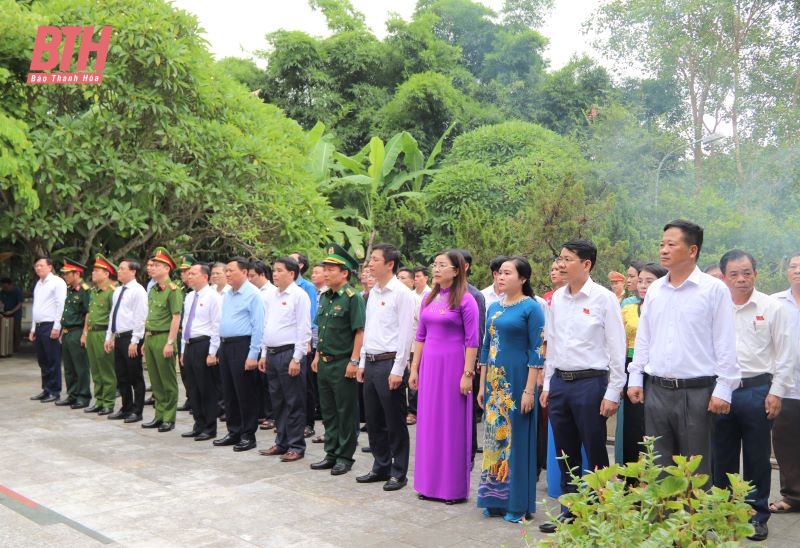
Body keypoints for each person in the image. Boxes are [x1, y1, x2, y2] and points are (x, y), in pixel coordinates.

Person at [627, 220, 739, 481]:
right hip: (656, 390)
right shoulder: (655, 289)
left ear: (692, 250)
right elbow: (645, 338)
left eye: (671, 244)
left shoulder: (714, 290)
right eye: (661, 244)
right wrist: (636, 377)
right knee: (658, 467)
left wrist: (724, 388)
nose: (663, 250)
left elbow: (725, 342)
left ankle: (695, 523)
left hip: (697, 392)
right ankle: (663, 521)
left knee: (695, 471)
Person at [539, 238, 626, 533]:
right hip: (561, 383)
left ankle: (601, 513)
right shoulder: (557, 299)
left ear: (586, 264)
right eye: (560, 258)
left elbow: (617, 347)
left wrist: (614, 391)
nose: (561, 264)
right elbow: (552, 344)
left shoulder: (604, 299)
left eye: (568, 259)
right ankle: (571, 511)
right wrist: (548, 385)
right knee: (565, 451)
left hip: (591, 384)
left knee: (595, 449)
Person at [712, 250, 795, 542]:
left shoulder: (772, 307)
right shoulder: (715, 306)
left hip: (758, 390)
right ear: (723, 277)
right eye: (734, 274)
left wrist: (776, 392)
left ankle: (757, 515)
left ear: (755, 274)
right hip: (721, 391)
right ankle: (723, 512)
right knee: (721, 456)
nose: (741, 279)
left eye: (746, 272)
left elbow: (786, 354)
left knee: (757, 457)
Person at [477, 257, 545, 523]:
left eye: (507, 273)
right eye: (499, 273)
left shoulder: (532, 308)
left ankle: (517, 503)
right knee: (495, 439)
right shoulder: (494, 307)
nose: (500, 277)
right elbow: (486, 346)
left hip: (518, 380)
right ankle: (494, 498)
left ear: (523, 278)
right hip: (494, 380)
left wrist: (530, 390)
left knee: (516, 439)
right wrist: (483, 384)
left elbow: (536, 350)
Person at [409, 250, 479, 504]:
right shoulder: (429, 297)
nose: (436, 269)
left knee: (451, 426)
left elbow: (472, 341)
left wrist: (467, 374)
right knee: (429, 425)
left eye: (442, 265)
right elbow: (420, 336)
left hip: (454, 367)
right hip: (430, 367)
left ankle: (452, 489)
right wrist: (415, 368)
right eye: (434, 264)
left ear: (457, 270)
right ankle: (427, 485)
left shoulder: (466, 300)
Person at [356, 244, 416, 491]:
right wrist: (361, 361)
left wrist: (398, 369)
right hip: (370, 361)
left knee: (394, 419)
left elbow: (406, 333)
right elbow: (368, 329)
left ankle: (399, 471)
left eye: (375, 259)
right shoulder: (374, 293)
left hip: (390, 362)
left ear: (390, 264)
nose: (370, 264)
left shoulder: (402, 293)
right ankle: (380, 466)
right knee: (374, 418)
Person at [310, 244, 366, 476]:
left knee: (345, 411)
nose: (326, 272)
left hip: (343, 362)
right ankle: (331, 452)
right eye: (325, 268)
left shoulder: (353, 298)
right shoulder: (324, 297)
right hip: (323, 361)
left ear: (344, 273)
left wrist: (354, 362)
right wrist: (315, 356)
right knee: (328, 410)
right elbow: (321, 329)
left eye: (331, 269)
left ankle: (345, 456)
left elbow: (359, 332)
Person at [258, 256, 312, 463]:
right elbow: (267, 324)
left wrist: (297, 358)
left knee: (294, 402)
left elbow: (303, 328)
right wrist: (263, 353)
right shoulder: (271, 295)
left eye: (280, 270)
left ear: (292, 273)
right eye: (274, 270)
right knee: (277, 402)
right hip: (271, 353)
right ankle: (282, 441)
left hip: (289, 354)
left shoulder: (299, 295)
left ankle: (296, 445)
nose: (275, 274)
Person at [616, 262, 667, 466]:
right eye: (641, 281)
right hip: (632, 367)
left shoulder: (668, 308)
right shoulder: (628, 308)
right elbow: (618, 342)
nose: (642, 285)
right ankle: (632, 481)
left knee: (657, 425)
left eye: (650, 281)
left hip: (658, 370)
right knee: (633, 425)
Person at [213, 257, 264, 453]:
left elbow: (258, 326)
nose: (227, 274)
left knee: (245, 392)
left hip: (243, 345)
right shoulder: (227, 294)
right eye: (226, 271)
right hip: (226, 346)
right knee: (229, 391)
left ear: (244, 272)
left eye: (231, 271)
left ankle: (248, 435)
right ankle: (233, 431)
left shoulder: (253, 295)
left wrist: (253, 354)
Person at [770, 252, 800, 515]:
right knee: (786, 443)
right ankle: (792, 496)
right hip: (787, 386)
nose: (797, 270)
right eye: (793, 266)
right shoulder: (775, 303)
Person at [140, 247, 182, 432]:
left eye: (157, 265)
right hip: (150, 337)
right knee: (155, 380)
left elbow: (176, 317)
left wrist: (170, 342)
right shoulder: (153, 290)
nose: (152, 268)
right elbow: (150, 315)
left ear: (167, 268)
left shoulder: (173, 290)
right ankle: (159, 415)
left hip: (164, 337)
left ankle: (168, 417)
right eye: (152, 265)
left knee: (167, 380)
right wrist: (144, 339)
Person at [179, 263, 222, 442]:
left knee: (206, 388)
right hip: (189, 344)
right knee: (192, 387)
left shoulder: (214, 297)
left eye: (193, 274)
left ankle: (209, 427)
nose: (189, 277)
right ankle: (198, 424)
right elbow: (185, 324)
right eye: (188, 274)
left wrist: (212, 352)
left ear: (205, 277)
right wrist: (182, 350)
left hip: (204, 344)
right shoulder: (189, 297)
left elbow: (216, 325)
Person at [103, 259, 148, 423]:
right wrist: (110, 336)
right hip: (119, 336)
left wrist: (135, 340)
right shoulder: (118, 291)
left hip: (131, 337)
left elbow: (140, 317)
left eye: (122, 269)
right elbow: (113, 315)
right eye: (119, 269)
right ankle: (126, 407)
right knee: (121, 375)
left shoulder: (138, 291)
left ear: (133, 271)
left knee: (135, 375)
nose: (119, 271)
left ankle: (137, 410)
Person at [82, 254, 118, 415]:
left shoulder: (112, 292)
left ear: (106, 273)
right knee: (95, 369)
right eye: (94, 270)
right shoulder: (94, 292)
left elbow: (115, 316)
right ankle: (99, 400)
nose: (93, 273)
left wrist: (112, 337)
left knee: (106, 369)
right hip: (92, 333)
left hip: (104, 332)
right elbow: (89, 313)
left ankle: (108, 403)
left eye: (97, 270)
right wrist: (84, 332)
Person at [29, 257, 67, 403]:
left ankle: (55, 391)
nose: (38, 268)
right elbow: (36, 307)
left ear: (50, 267)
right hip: (39, 326)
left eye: (41, 265)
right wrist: (33, 328)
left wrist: (57, 326)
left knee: (53, 359)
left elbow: (60, 305)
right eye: (36, 266)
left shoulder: (57, 282)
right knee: (42, 360)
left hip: (50, 325)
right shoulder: (38, 284)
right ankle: (46, 389)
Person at [290, 251, 320, 440]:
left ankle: (308, 423)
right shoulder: (282, 289)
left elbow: (311, 315)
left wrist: (308, 340)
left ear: (300, 266)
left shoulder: (306, 286)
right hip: (287, 342)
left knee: (306, 384)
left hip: (304, 341)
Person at [57, 259, 91, 409]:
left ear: (76, 273)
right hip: (67, 332)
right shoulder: (70, 290)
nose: (65, 276)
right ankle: (72, 395)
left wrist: (85, 334)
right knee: (69, 367)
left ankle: (83, 396)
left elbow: (88, 313)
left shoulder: (85, 290)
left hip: (77, 331)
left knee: (81, 367)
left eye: (67, 274)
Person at [249, 260, 275, 431]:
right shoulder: (252, 292)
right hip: (255, 341)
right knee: (257, 381)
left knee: (269, 383)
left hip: (268, 341)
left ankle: (271, 415)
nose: (249, 279)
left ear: (262, 275)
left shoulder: (271, 292)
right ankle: (261, 412)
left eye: (252, 276)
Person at [1, 277, 24, 353]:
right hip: (5, 313)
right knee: (5, 331)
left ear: (10, 285)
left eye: (6, 287)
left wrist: (11, 311)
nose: (5, 289)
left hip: (16, 314)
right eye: (3, 287)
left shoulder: (17, 291)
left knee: (16, 331)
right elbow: (1, 302)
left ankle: (16, 349)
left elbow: (20, 304)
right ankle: (6, 347)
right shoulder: (2, 292)